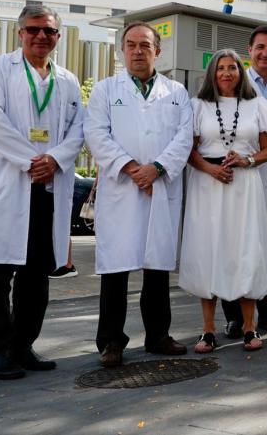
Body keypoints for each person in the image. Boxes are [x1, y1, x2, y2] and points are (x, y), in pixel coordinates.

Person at [0, 5, 85, 379]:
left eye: (49, 31)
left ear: (58, 37)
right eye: (33, 30)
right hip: (6, 187)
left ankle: (22, 345)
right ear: (20, 33)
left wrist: (55, 160)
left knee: (36, 277)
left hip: (46, 190)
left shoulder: (67, 80)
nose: (41, 37)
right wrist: (31, 160)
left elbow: (78, 130)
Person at [84, 21, 194, 367]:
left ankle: (158, 336)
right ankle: (111, 342)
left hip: (159, 187)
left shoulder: (176, 92)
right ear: (122, 50)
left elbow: (184, 136)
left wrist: (157, 169)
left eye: (145, 45)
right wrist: (133, 168)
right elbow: (96, 134)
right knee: (116, 269)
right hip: (122, 191)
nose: (137, 51)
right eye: (130, 45)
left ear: (157, 52)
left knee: (157, 268)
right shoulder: (105, 90)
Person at [179, 49, 267, 352]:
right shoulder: (198, 106)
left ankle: (250, 327)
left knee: (245, 250)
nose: (226, 73)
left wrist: (246, 160)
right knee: (208, 250)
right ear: (212, 73)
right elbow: (189, 150)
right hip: (207, 186)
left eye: (232, 67)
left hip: (244, 187)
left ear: (240, 71)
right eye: (220, 68)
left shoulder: (256, 104)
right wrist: (210, 169)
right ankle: (207, 330)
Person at [221, 26, 267, 338]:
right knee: (236, 245)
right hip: (242, 174)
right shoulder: (234, 82)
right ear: (249, 50)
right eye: (261, 47)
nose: (266, 53)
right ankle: (235, 316)